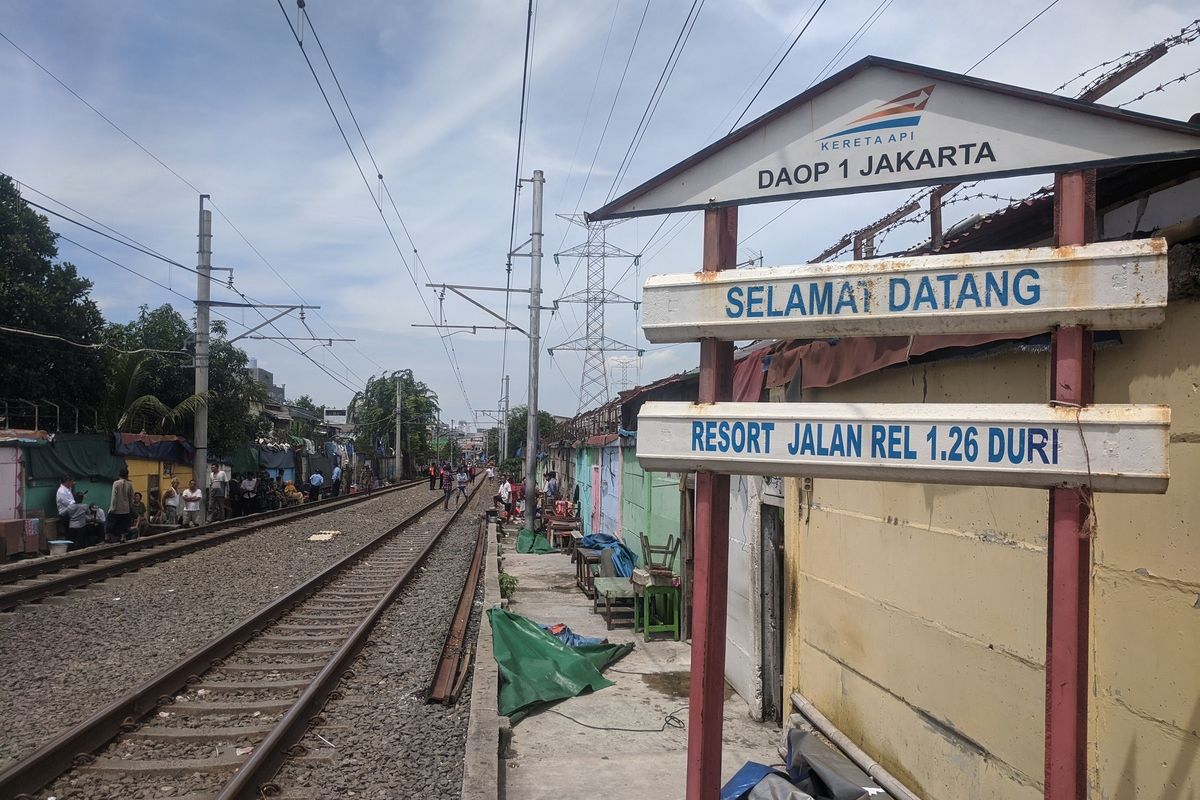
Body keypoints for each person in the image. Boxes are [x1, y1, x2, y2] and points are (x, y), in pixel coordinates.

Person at [107, 468, 135, 543]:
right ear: (127, 475)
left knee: (110, 522)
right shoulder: (130, 484)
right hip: (126, 509)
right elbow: (131, 497)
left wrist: (112, 508)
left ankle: (107, 536)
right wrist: (130, 507)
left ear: (119, 475)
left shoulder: (116, 483)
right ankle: (123, 537)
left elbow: (114, 496)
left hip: (116, 509)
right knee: (123, 524)